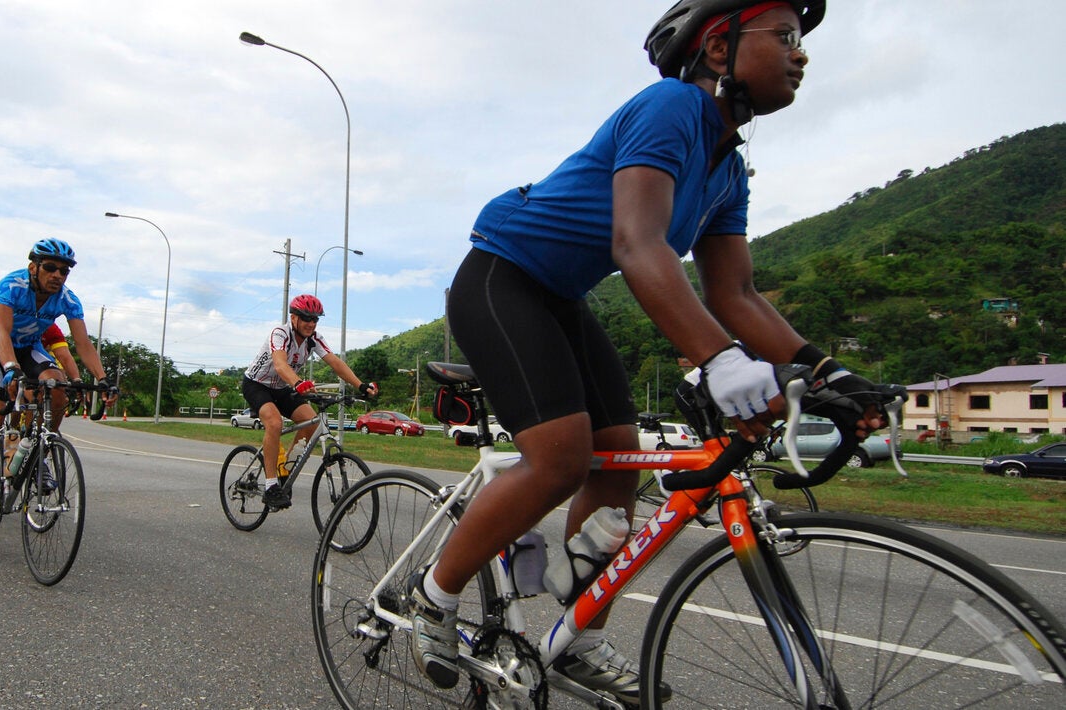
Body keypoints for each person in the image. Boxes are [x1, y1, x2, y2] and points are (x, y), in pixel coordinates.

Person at [407, 2, 884, 705]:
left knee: (617, 462)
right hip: (502, 278)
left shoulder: (728, 171)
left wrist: (828, 371)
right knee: (562, 459)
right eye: (784, 36)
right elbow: (637, 243)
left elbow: (737, 294)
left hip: (562, 297)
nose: (800, 54)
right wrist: (720, 361)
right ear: (718, 50)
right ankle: (435, 593)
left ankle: (577, 639)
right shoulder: (671, 107)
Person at [0, 238, 115, 530]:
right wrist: (11, 369)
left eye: (64, 271)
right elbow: (1, 331)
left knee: (58, 390)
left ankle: (37, 451)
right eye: (51, 268)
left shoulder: (68, 299)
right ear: (34, 267)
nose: (58, 275)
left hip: (29, 347)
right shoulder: (12, 286)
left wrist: (103, 379)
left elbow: (82, 343)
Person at [240, 295, 377, 510]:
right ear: (293, 317)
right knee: (275, 423)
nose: (311, 323)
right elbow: (280, 364)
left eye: (315, 319)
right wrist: (298, 383)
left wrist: (360, 386)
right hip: (257, 385)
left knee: (312, 423)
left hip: (282, 388)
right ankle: (270, 486)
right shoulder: (280, 333)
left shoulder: (314, 338)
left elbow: (335, 363)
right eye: (306, 318)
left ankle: (285, 469)